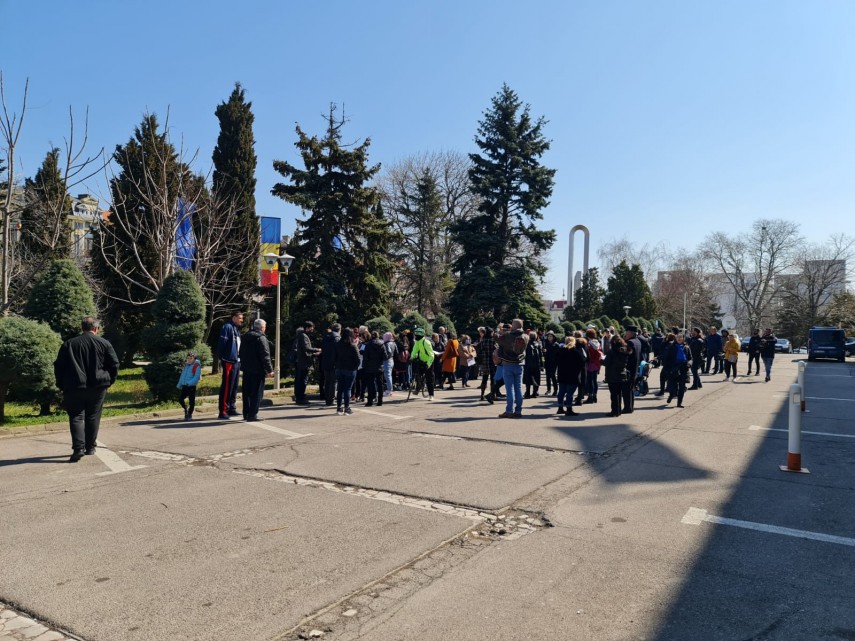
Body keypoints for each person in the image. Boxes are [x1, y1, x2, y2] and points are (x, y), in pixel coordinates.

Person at [54, 317, 119, 462]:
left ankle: (78, 448)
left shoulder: (69, 344)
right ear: (96, 328)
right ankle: (90, 447)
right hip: (98, 386)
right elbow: (114, 364)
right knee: (93, 416)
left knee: (76, 417)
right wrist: (110, 381)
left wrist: (61, 384)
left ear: (82, 328)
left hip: (74, 386)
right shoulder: (104, 343)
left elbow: (59, 366)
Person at [239, 318, 274, 421]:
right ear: (262, 327)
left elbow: (241, 352)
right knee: (257, 393)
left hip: (246, 369)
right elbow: (265, 355)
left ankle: (246, 413)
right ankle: (253, 414)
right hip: (258, 370)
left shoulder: (245, 336)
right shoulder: (261, 338)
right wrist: (269, 370)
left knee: (247, 393)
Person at [497, 319, 529, 418]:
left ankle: (509, 411)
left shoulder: (507, 336)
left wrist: (498, 329)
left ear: (513, 326)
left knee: (509, 389)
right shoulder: (526, 337)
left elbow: (497, 339)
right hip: (519, 364)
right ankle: (518, 411)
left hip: (508, 363)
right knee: (518, 388)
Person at [217, 311, 244, 419]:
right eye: (240, 318)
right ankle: (223, 411)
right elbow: (222, 343)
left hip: (236, 361)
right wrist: (222, 357)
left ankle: (231, 407)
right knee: (227, 386)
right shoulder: (227, 327)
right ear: (234, 318)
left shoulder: (236, 329)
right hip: (228, 361)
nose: (242, 320)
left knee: (234, 386)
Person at [556, 336, 585, 416]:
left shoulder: (560, 351)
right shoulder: (575, 352)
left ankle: (560, 408)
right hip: (572, 375)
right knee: (570, 393)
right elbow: (582, 362)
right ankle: (569, 409)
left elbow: (556, 361)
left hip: (562, 374)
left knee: (561, 392)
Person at [334, 327, 360, 415]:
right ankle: (347, 408)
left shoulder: (337, 344)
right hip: (350, 369)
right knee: (347, 389)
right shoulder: (353, 345)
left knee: (340, 388)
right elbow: (358, 359)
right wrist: (355, 367)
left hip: (339, 368)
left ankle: (339, 408)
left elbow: (334, 357)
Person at [294, 321, 321, 405]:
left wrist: (313, 354)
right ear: (307, 328)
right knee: (303, 381)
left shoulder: (302, 335)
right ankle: (300, 398)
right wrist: (317, 349)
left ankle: (300, 397)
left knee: (301, 380)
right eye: (311, 328)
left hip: (302, 362)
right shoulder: (303, 336)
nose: (312, 329)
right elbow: (306, 348)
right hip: (304, 363)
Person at [603, 335, 629, 418]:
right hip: (622, 373)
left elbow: (606, 363)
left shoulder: (611, 352)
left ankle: (615, 411)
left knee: (614, 394)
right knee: (619, 393)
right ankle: (618, 410)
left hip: (612, 374)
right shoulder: (624, 350)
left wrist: (600, 360)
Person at [663, 333, 692, 407]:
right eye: (678, 337)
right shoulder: (672, 347)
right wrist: (667, 368)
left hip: (683, 368)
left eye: (681, 337)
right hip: (674, 368)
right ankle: (671, 395)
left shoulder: (686, 347)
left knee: (682, 387)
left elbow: (690, 359)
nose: (679, 338)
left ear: (683, 338)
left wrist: (689, 363)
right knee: (672, 386)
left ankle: (679, 403)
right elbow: (666, 358)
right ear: (676, 338)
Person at [410, 327, 436, 400]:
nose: (415, 337)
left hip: (429, 361)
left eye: (416, 336)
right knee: (417, 375)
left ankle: (431, 395)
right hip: (421, 361)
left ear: (420, 336)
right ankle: (418, 389)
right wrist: (411, 358)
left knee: (429, 379)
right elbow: (414, 351)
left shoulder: (426, 342)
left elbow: (431, 355)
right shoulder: (417, 342)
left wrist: (428, 365)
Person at [176, 351, 202, 421]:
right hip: (185, 385)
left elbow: (196, 377)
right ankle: (185, 408)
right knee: (180, 399)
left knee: (191, 401)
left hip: (191, 386)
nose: (189, 359)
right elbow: (182, 375)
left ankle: (189, 414)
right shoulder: (186, 365)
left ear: (194, 358)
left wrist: (189, 383)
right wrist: (179, 384)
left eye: (191, 358)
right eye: (188, 358)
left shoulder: (197, 366)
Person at [362, 331, 386, 406]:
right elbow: (385, 356)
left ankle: (370, 401)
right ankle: (380, 401)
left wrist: (364, 366)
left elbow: (365, 357)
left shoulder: (368, 345)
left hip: (370, 366)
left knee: (370, 384)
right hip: (379, 366)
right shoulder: (382, 344)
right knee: (380, 384)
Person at [320, 323, 341, 406]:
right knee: (333, 382)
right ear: (339, 329)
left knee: (327, 381)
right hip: (334, 363)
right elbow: (339, 351)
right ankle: (331, 400)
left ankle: (327, 400)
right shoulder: (337, 338)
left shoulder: (325, 337)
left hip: (325, 362)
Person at [623, 326, 643, 414]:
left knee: (627, 390)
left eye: (626, 331)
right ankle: (630, 407)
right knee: (630, 389)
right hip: (635, 369)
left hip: (629, 369)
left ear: (630, 333)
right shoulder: (638, 341)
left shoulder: (630, 342)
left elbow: (626, 356)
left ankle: (627, 408)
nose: (625, 333)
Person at [477, 327, 498, 403]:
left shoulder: (482, 342)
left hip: (484, 362)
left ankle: (482, 395)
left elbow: (478, 351)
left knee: (484, 379)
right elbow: (497, 350)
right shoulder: (493, 341)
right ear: (490, 333)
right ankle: (493, 395)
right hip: (492, 362)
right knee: (493, 379)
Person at [584, 328, 603, 404]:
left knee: (590, 381)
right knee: (594, 380)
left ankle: (590, 397)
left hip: (590, 363)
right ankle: (595, 396)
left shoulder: (589, 344)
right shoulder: (597, 343)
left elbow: (588, 355)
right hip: (596, 363)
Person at [523, 330, 543, 399]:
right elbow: (541, 356)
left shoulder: (526, 344)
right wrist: (542, 365)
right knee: (536, 378)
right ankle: (535, 393)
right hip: (537, 364)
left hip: (528, 363)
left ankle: (527, 393)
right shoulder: (539, 344)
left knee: (528, 379)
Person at [543, 331, 560, 396]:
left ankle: (555, 390)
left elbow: (558, 354)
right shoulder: (546, 344)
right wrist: (544, 352)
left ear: (553, 337)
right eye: (548, 336)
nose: (549, 338)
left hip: (554, 362)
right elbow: (544, 354)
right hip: (547, 361)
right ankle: (548, 389)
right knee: (547, 376)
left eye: (551, 336)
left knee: (553, 375)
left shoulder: (556, 344)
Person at [382, 331, 398, 397]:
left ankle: (389, 390)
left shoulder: (386, 344)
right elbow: (396, 352)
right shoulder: (394, 343)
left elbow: (388, 352)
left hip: (387, 360)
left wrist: (385, 357)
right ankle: (390, 389)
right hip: (392, 360)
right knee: (389, 375)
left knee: (387, 376)